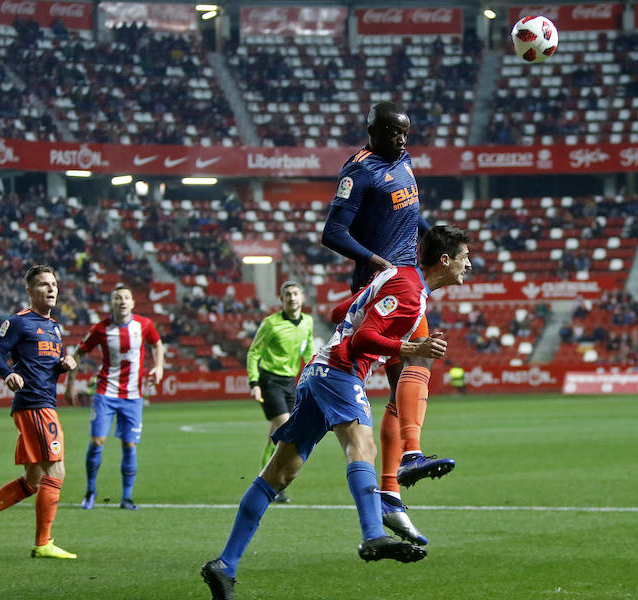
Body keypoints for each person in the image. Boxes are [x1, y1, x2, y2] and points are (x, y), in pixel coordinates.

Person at [201, 225, 471, 600]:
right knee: (362, 448)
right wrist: (408, 348)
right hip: (340, 373)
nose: (468, 265)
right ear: (445, 260)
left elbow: (339, 310)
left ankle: (225, 564)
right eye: (464, 258)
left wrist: (366, 316)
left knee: (280, 473)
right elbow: (361, 339)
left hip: (317, 373)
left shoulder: (397, 276)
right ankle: (373, 534)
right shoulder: (410, 291)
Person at [321, 101, 453, 546]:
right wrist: (377, 262)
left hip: (406, 277)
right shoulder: (359, 173)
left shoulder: (404, 160)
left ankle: (394, 493)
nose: (402, 140)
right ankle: (399, 478)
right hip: (383, 284)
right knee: (411, 367)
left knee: (409, 377)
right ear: (373, 129)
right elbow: (332, 232)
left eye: (406, 133)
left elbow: (409, 214)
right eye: (395, 133)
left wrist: (434, 235)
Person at [0, 265, 77, 559]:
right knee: (56, 470)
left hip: (44, 403)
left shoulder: (56, 328)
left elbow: (45, 370)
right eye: (43, 285)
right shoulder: (19, 322)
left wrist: (62, 367)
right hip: (34, 405)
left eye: (54, 284)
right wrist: (8, 374)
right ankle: (43, 542)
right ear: (29, 291)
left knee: (33, 481)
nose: (51, 289)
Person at [65, 284, 164, 511]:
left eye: (126, 297)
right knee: (97, 441)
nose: (122, 301)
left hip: (133, 395)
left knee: (130, 445)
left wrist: (159, 367)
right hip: (105, 393)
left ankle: (126, 498)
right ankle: (90, 492)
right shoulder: (101, 328)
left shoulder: (144, 325)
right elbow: (78, 353)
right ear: (112, 303)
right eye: (117, 298)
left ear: (132, 303)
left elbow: (157, 344)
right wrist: (69, 386)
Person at [246, 280, 314, 503]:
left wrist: (314, 372)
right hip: (270, 382)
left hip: (289, 383)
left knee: (274, 436)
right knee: (286, 429)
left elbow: (309, 351)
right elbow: (254, 352)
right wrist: (254, 383)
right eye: (287, 295)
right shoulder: (271, 323)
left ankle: (265, 481)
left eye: (295, 294)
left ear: (302, 297)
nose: (292, 298)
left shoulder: (308, 323)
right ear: (281, 300)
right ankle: (274, 482)